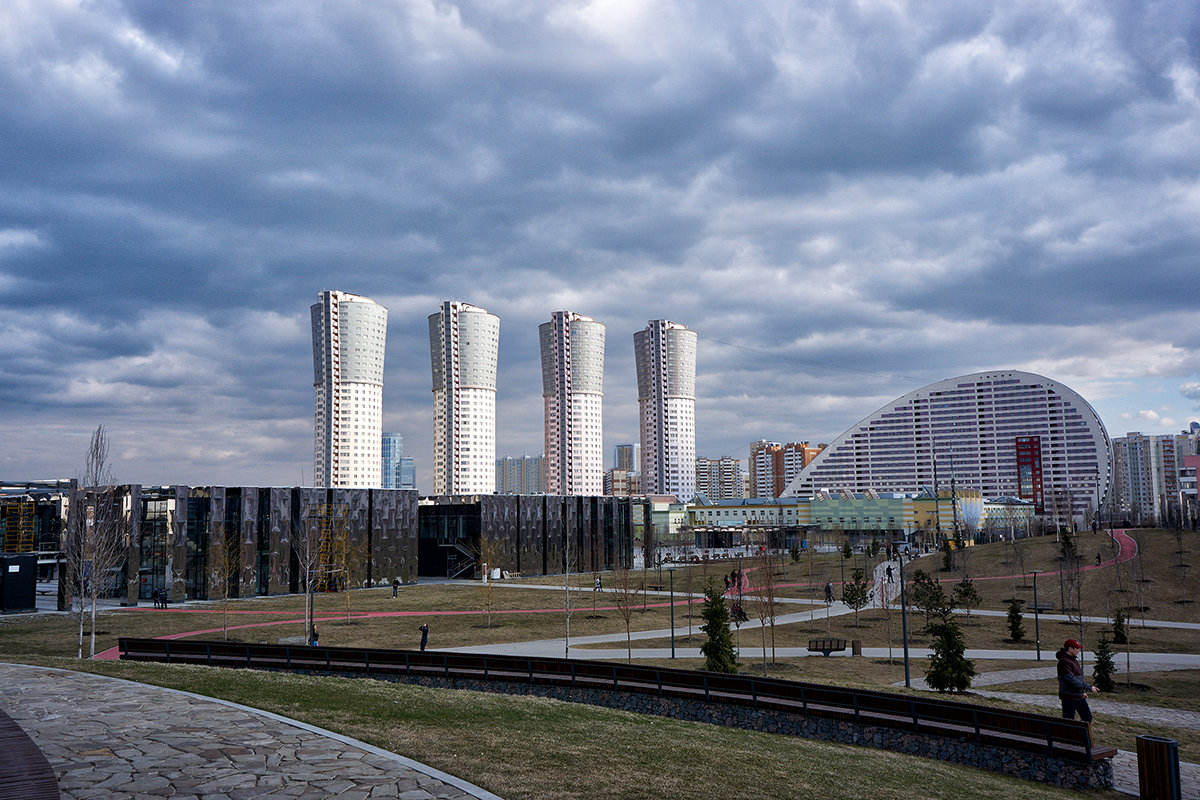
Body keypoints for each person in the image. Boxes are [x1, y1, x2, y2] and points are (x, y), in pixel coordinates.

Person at [1056, 638, 1098, 721]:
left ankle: (1080, 734)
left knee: (1087, 718)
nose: (1078, 650)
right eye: (1077, 648)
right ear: (1070, 649)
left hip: (1078, 696)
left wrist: (1082, 692)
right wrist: (1089, 687)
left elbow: (1077, 678)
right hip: (1069, 697)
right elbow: (1071, 680)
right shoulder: (1064, 662)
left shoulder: (1073, 659)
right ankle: (1070, 734)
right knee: (1069, 721)